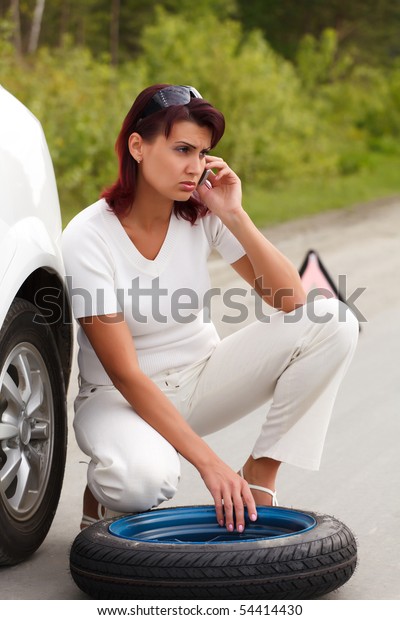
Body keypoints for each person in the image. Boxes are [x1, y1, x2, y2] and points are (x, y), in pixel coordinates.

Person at [62, 84, 359, 532]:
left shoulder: (201, 212)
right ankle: (106, 492)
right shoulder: (88, 236)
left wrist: (234, 214)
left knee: (331, 319)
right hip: (119, 399)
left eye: (203, 153)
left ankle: (260, 474)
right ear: (137, 147)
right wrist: (210, 464)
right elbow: (124, 373)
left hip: (200, 380)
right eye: (182, 149)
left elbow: (292, 302)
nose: (195, 166)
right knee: (141, 482)